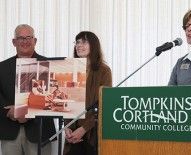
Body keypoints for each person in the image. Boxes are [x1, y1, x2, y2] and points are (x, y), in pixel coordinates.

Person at [0, 24, 56, 155]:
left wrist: (27, 111)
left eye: (28, 37)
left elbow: (53, 95)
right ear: (14, 42)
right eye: (21, 38)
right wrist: (8, 111)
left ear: (35, 41)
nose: (25, 41)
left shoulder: (49, 65)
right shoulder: (2, 67)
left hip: (40, 130)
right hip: (9, 130)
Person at [63, 31, 112, 155]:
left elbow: (105, 104)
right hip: (72, 132)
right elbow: (66, 100)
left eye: (84, 42)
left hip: (92, 132)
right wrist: (67, 127)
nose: (79, 45)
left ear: (94, 45)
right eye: (77, 42)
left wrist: (84, 129)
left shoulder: (104, 70)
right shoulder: (70, 69)